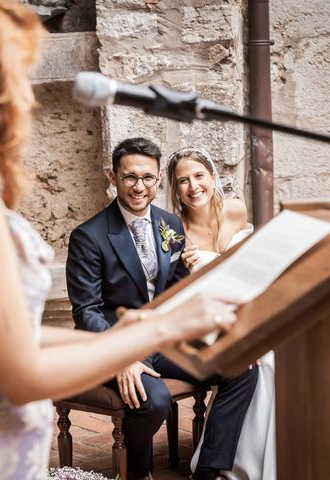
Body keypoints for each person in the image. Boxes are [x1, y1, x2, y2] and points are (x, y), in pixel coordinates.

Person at [0, 2, 241, 479]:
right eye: (16, 74)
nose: (24, 99)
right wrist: (157, 331)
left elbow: (4, 339)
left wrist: (139, 329)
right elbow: (18, 372)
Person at [168, 146, 330, 480]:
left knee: (316, 348)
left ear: (212, 177)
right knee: (264, 362)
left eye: (199, 176)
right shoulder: (175, 232)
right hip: (221, 320)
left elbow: (257, 265)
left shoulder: (234, 210)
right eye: (183, 181)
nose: (193, 186)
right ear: (174, 189)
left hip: (261, 303)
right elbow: (183, 297)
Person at [66, 138, 259, 480]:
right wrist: (121, 356)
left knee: (240, 368)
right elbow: (87, 311)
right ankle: (138, 473)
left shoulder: (170, 224)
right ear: (113, 176)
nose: (139, 187)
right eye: (129, 177)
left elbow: (174, 293)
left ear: (158, 180)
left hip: (164, 339)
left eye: (148, 178)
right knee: (152, 399)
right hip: (117, 342)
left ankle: (209, 469)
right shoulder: (89, 236)